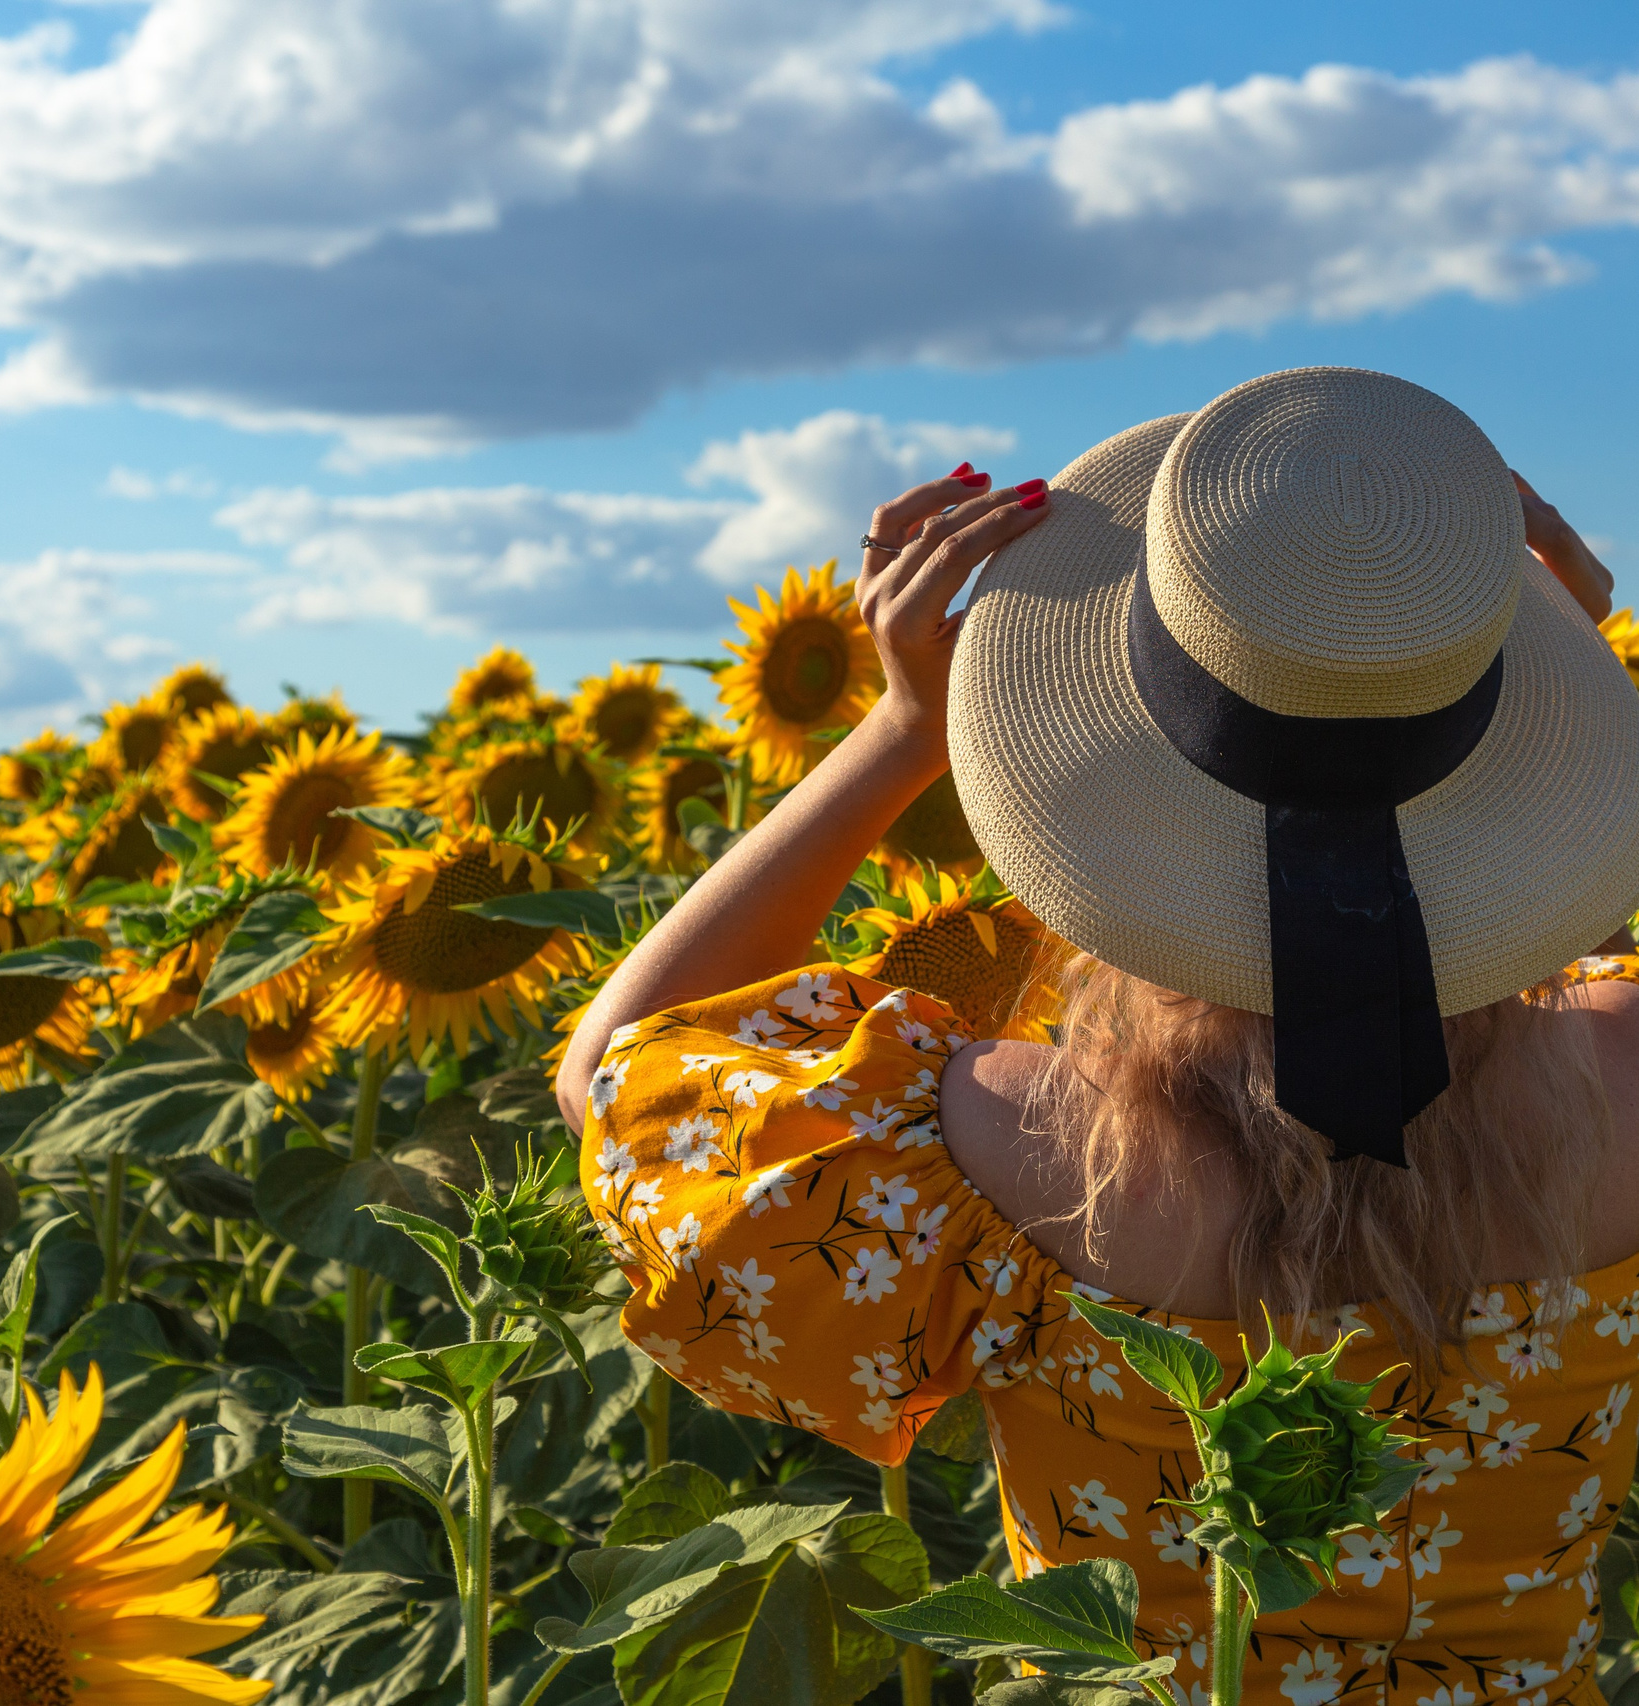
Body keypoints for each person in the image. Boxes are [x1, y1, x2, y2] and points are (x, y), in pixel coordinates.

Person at [558, 367, 1639, 1706]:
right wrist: (1563, 695)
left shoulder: (1007, 1142)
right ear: (1523, 746)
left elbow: (618, 1069)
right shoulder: (1626, 1079)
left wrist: (900, 729)